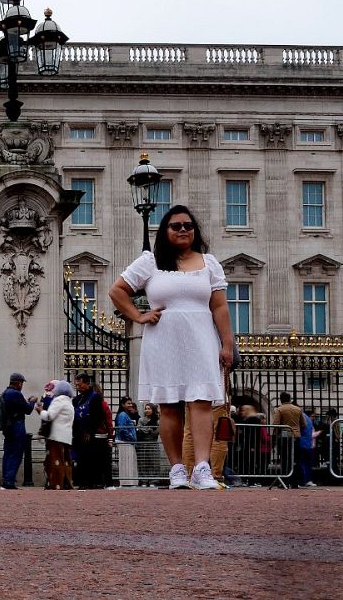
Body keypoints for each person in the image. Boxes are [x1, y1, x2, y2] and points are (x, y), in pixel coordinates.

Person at [108, 205, 234, 491]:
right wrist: (139, 316)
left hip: (201, 337)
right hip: (163, 338)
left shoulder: (209, 263)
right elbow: (117, 290)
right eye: (175, 226)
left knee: (201, 401)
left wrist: (227, 344)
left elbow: (220, 306)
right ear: (165, 231)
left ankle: (202, 467)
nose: (182, 230)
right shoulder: (150, 262)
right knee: (169, 406)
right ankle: (177, 468)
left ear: (195, 230)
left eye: (188, 225)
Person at [70, 374, 113, 489]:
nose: (77, 387)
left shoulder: (95, 397)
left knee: (92, 459)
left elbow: (97, 416)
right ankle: (83, 482)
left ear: (87, 383)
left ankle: (94, 482)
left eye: (80, 384)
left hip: (91, 434)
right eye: (76, 385)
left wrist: (89, 431)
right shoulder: (76, 400)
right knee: (81, 459)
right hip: (79, 433)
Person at [0, 373, 34, 489]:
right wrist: (32, 402)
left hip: (7, 427)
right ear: (18, 382)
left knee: (7, 453)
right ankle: (9, 480)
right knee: (16, 454)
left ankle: (6, 479)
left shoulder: (5, 393)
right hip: (17, 425)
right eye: (21, 383)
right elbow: (27, 410)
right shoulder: (16, 394)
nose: (22, 385)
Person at [39, 381, 75, 490]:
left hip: (56, 436)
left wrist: (40, 411)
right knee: (65, 461)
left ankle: (55, 484)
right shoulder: (69, 403)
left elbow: (49, 416)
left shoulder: (59, 400)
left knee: (54, 461)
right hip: (66, 437)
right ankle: (65, 483)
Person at [114, 398, 139, 486]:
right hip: (125, 441)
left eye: (131, 403)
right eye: (128, 403)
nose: (130, 405)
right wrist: (131, 437)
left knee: (127, 461)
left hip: (126, 441)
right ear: (123, 404)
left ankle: (128, 481)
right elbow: (122, 428)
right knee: (126, 462)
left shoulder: (124, 414)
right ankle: (127, 482)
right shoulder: (123, 414)